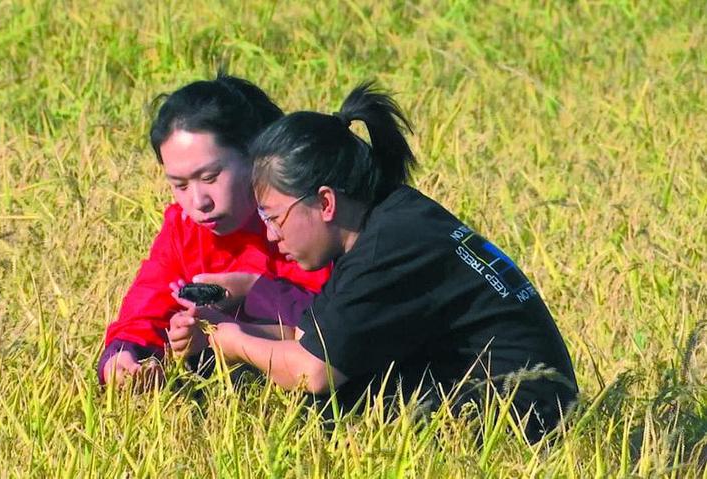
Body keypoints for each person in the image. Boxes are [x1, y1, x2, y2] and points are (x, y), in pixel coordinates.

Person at [173, 82, 578, 441]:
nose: (272, 235)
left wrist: (234, 342)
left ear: (325, 202)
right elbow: (312, 338)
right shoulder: (386, 222)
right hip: (498, 391)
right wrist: (221, 334)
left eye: (275, 217)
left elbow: (313, 372)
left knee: (329, 404)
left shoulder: (388, 249)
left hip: (520, 413)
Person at [98, 73, 331, 386]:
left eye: (210, 178)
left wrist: (252, 291)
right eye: (179, 185)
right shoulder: (182, 229)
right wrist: (124, 356)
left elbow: (336, 320)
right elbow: (145, 307)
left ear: (254, 156)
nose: (198, 202)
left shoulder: (304, 218)